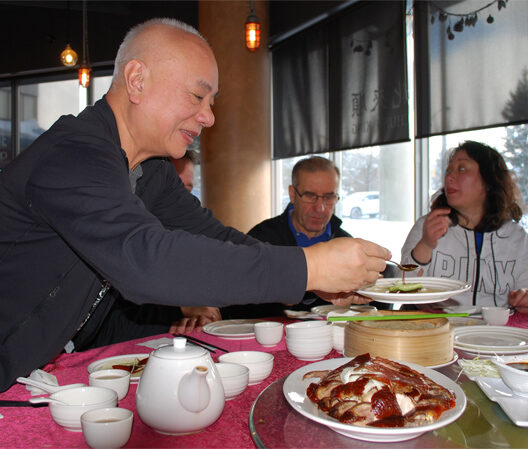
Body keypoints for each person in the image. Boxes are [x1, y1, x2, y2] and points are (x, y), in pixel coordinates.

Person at [0, 18, 390, 392]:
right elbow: (147, 262)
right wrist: (311, 267)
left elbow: (215, 238)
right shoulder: (74, 153)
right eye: (196, 96)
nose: (209, 116)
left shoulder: (149, 171)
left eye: (211, 101)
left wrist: (314, 284)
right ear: (137, 80)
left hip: (45, 371)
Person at [172, 156, 392, 331]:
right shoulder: (263, 238)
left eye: (329, 197)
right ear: (292, 194)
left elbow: (377, 310)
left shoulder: (345, 242)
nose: (321, 208)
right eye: (310, 196)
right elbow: (240, 308)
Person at [401, 141, 528, 311]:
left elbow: (524, 292)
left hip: (494, 333)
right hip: (436, 330)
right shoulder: (427, 226)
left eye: (462, 169)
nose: (449, 177)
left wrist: (523, 300)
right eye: (448, 170)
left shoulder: (516, 237)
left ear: (489, 181)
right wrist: (426, 244)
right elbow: (401, 287)